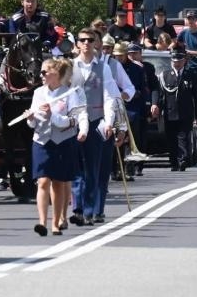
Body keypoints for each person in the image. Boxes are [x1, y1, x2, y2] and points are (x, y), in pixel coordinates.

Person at [70, 29, 133, 225]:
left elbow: (110, 97)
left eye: (90, 40)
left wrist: (109, 121)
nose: (86, 43)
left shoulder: (104, 68)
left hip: (96, 121)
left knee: (94, 169)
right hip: (73, 123)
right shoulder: (70, 66)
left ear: (95, 43)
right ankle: (78, 208)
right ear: (77, 43)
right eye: (82, 40)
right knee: (76, 168)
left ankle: (91, 210)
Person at [26, 56, 88, 237]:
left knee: (59, 183)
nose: (41, 75)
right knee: (43, 181)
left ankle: (56, 222)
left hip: (62, 142)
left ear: (56, 74)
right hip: (41, 141)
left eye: (45, 72)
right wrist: (30, 118)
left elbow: (73, 120)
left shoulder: (70, 93)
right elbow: (33, 123)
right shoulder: (38, 93)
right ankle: (41, 222)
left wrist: (52, 116)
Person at [157, 44, 197, 170]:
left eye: (179, 61)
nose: (177, 63)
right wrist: (157, 109)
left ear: (184, 61)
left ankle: (182, 159)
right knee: (171, 138)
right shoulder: (165, 75)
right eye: (174, 61)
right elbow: (161, 95)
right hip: (170, 112)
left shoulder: (191, 75)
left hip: (185, 113)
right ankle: (173, 162)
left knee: (183, 137)